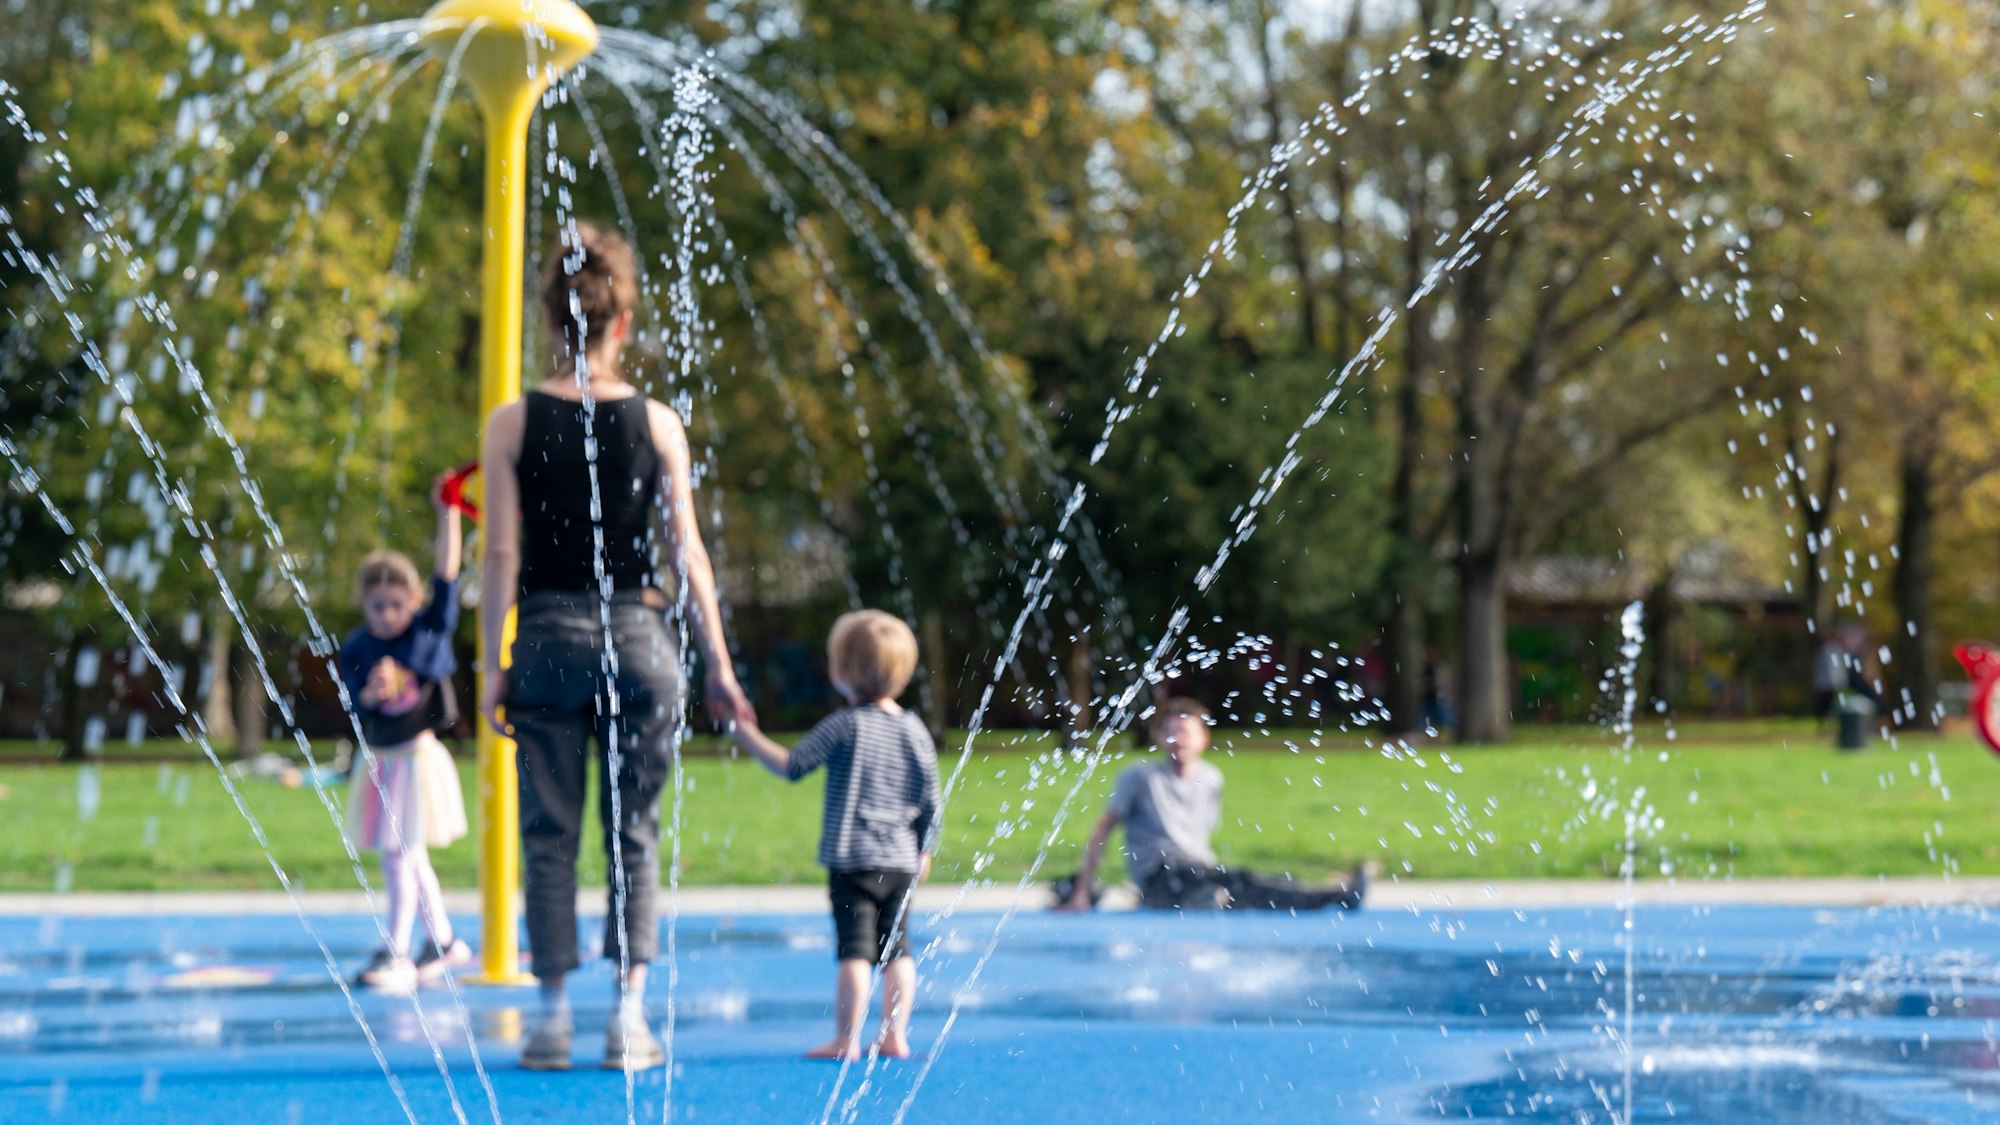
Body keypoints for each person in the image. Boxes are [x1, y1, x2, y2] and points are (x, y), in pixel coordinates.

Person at [479, 221, 752, 1072]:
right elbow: (689, 553)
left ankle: (553, 1015)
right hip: (640, 637)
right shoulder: (660, 422)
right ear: (622, 320)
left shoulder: (511, 421)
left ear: (545, 320)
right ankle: (627, 1018)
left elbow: (499, 554)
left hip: (550, 638)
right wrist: (722, 665)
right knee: (633, 830)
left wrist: (492, 664)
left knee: (547, 834)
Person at [726, 610, 940, 1061]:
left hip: (853, 860)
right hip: (902, 861)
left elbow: (792, 765)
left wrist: (743, 733)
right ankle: (894, 1033)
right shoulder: (915, 729)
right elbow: (930, 800)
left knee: (855, 952)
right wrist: (926, 848)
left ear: (841, 672)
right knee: (897, 948)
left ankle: (846, 1039)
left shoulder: (845, 725)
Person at [340, 480, 474, 992]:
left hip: (417, 760)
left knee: (402, 852)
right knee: (403, 853)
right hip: (383, 759)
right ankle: (441, 940)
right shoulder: (359, 647)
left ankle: (398, 950)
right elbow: (353, 702)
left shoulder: (426, 631)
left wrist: (449, 515)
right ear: (364, 605)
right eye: (377, 606)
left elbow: (447, 575)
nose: (387, 616)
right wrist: (371, 695)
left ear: (412, 602)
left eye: (396, 604)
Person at [1055, 697, 1371, 913]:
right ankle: (1338, 897)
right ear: (1160, 737)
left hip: (1199, 871)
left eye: (1185, 731)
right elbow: (1103, 828)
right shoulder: (1139, 777)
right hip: (1159, 877)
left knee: (1250, 885)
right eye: (1170, 732)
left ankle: (1326, 896)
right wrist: (1083, 890)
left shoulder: (1211, 779)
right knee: (1240, 883)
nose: (1177, 738)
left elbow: (1199, 839)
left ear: (1204, 738)